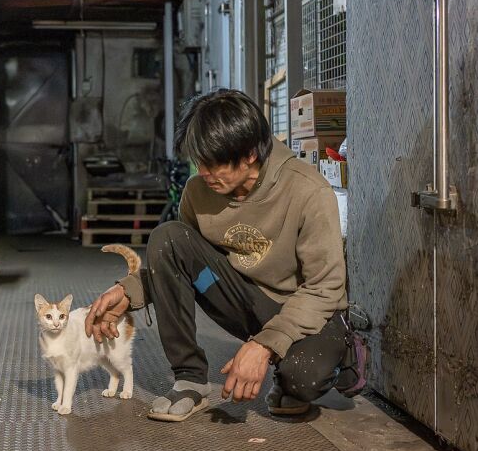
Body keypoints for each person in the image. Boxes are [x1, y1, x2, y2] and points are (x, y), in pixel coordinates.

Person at [85, 89, 366, 422]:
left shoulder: (308, 191)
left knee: (303, 376)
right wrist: (128, 291)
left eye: (214, 162)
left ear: (249, 154)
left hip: (307, 310)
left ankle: (342, 350)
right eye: (198, 160)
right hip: (245, 300)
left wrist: (264, 345)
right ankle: (190, 377)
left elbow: (325, 288)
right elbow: (181, 263)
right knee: (168, 237)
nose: (204, 172)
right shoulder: (198, 192)